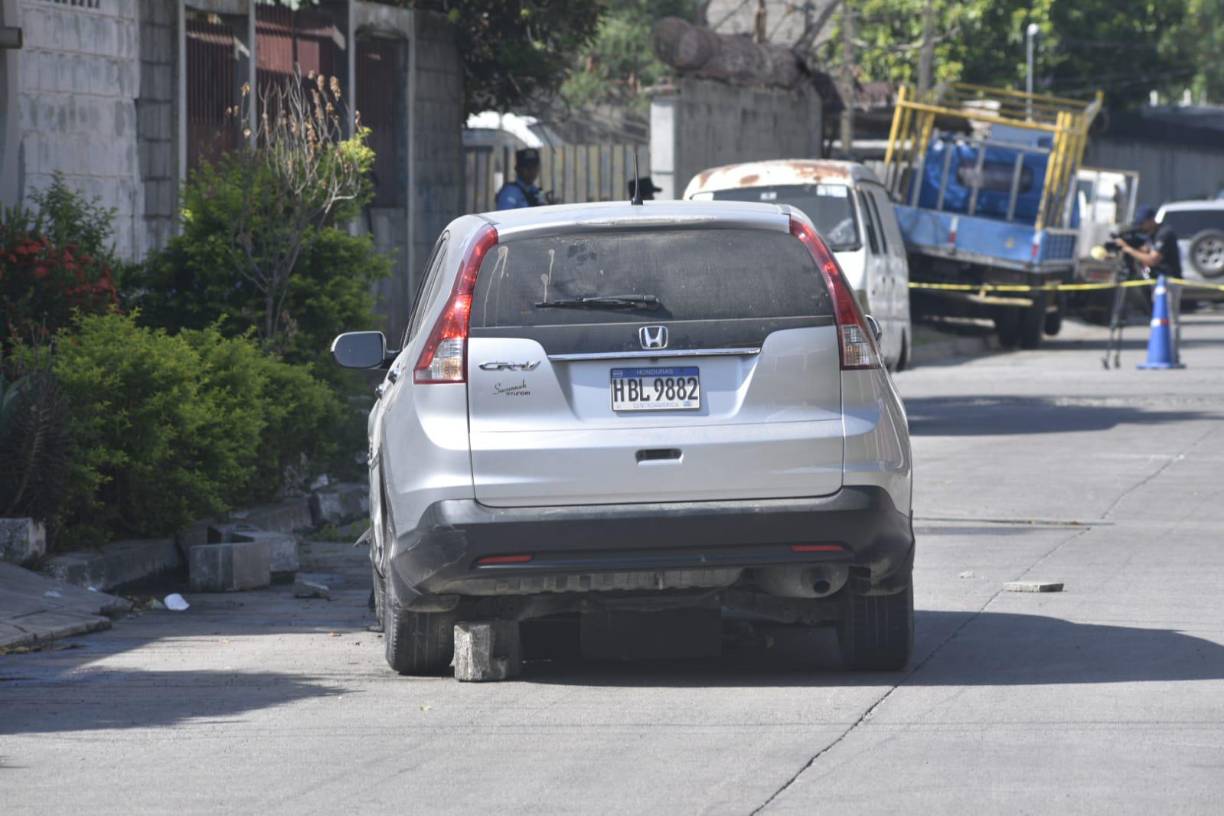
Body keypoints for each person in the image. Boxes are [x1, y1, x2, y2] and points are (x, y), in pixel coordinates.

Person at [1120, 204, 1183, 357]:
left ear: (1151, 220)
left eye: (1143, 223)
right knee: (1159, 319)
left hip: (1169, 282)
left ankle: (1172, 355)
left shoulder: (1165, 233)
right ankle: (1161, 352)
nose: (1141, 226)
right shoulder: (1152, 235)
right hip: (1158, 282)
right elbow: (1147, 251)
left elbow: (1153, 259)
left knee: (1169, 319)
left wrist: (1128, 249)